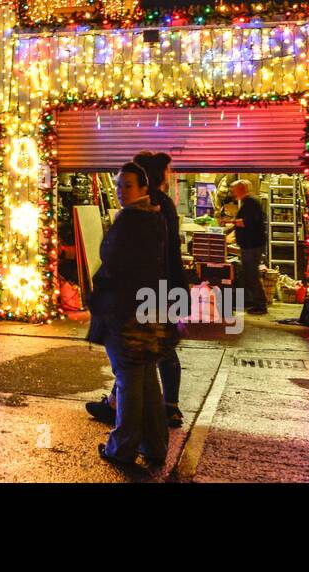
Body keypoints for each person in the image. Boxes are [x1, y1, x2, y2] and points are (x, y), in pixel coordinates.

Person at [88, 152, 188, 429]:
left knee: (142, 357)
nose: (121, 190)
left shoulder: (146, 209)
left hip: (152, 291)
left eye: (127, 183)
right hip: (164, 286)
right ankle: (157, 412)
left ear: (143, 181)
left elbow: (137, 258)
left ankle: (135, 423)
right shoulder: (158, 204)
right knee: (148, 354)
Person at [226, 179, 268, 315]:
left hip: (252, 246)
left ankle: (260, 305)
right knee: (250, 275)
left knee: (252, 275)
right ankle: (256, 303)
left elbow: (250, 222)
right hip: (250, 245)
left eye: (235, 190)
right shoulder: (248, 203)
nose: (233, 193)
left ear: (241, 189)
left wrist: (233, 222)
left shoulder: (251, 203)